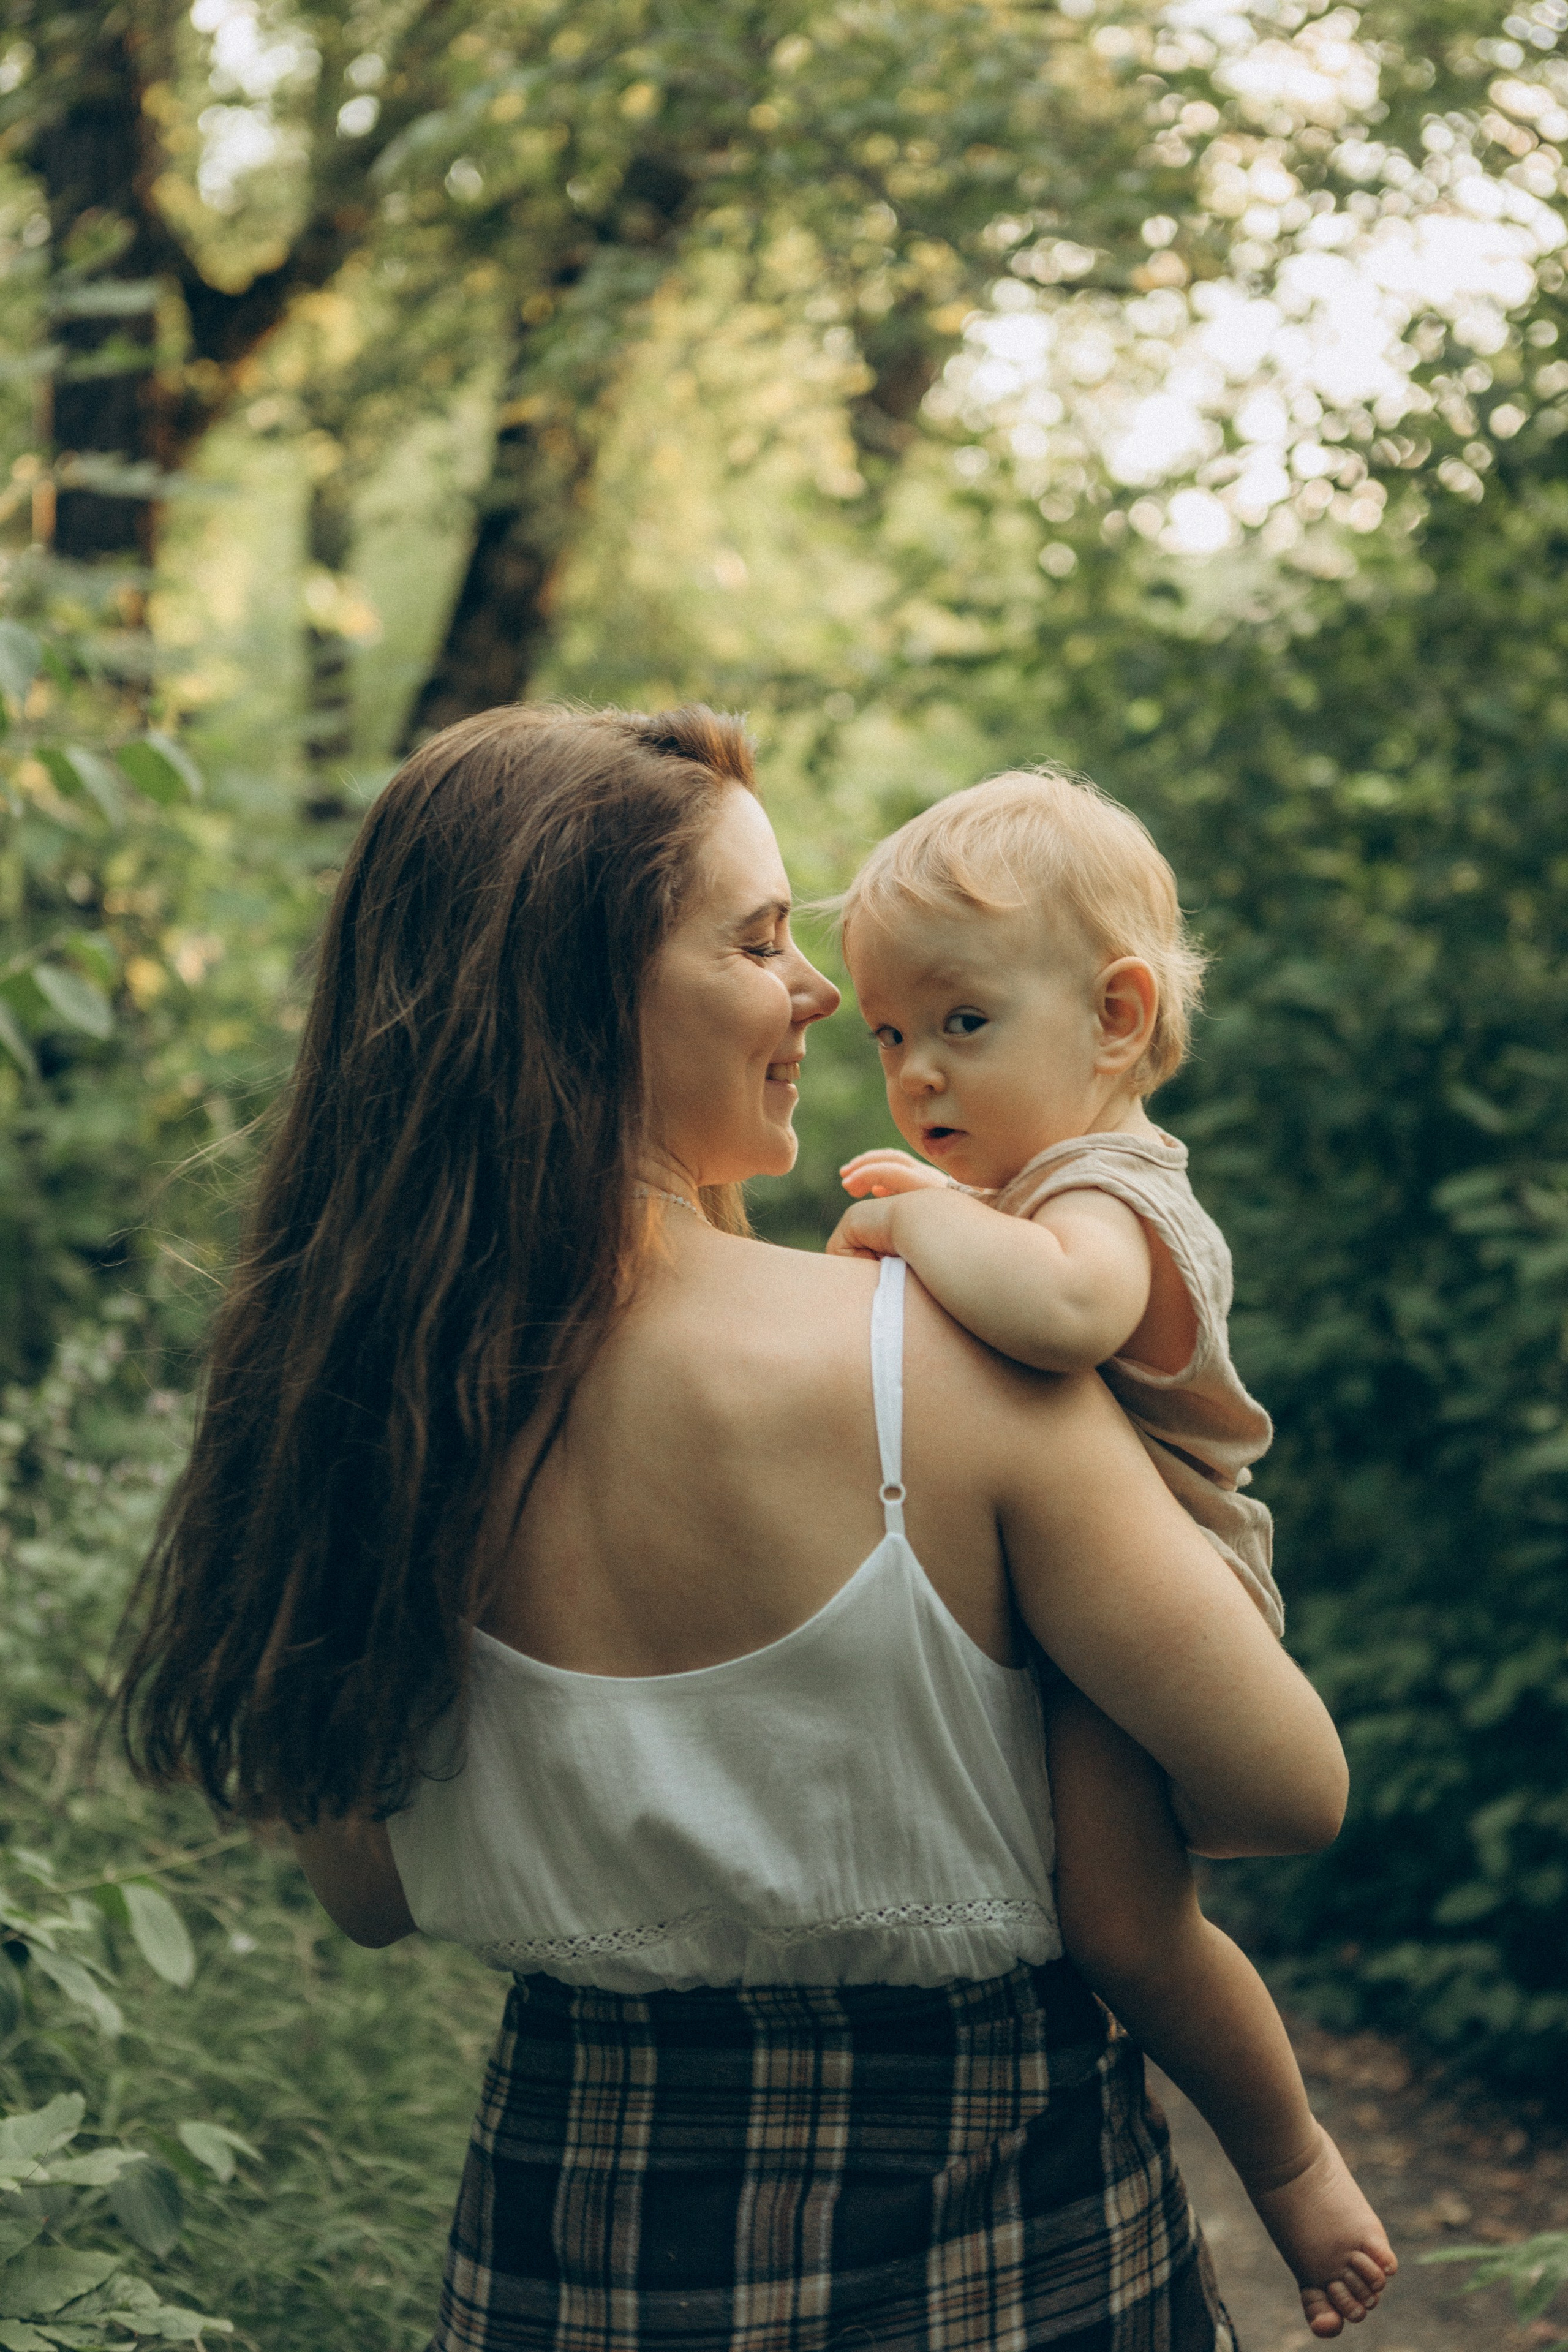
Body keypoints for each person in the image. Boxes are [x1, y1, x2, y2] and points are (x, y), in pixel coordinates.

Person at [119, 705, 1353, 2352]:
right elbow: (1288, 1788)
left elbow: (372, 1895)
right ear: (580, 995)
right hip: (999, 2222)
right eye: (762, 940)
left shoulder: (349, 1422)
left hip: (570, 2236)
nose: (825, 996)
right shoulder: (939, 1365)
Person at [827, 766, 1396, 2337]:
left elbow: (1068, 1313)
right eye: (885, 1037)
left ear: (1115, 1014)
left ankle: (1293, 2174)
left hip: (1174, 1583)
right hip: (1077, 1597)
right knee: (1073, 1906)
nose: (912, 1075)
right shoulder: (1024, 1184)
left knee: (1129, 1928)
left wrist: (910, 1229)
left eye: (957, 1023)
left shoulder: (1108, 1191)